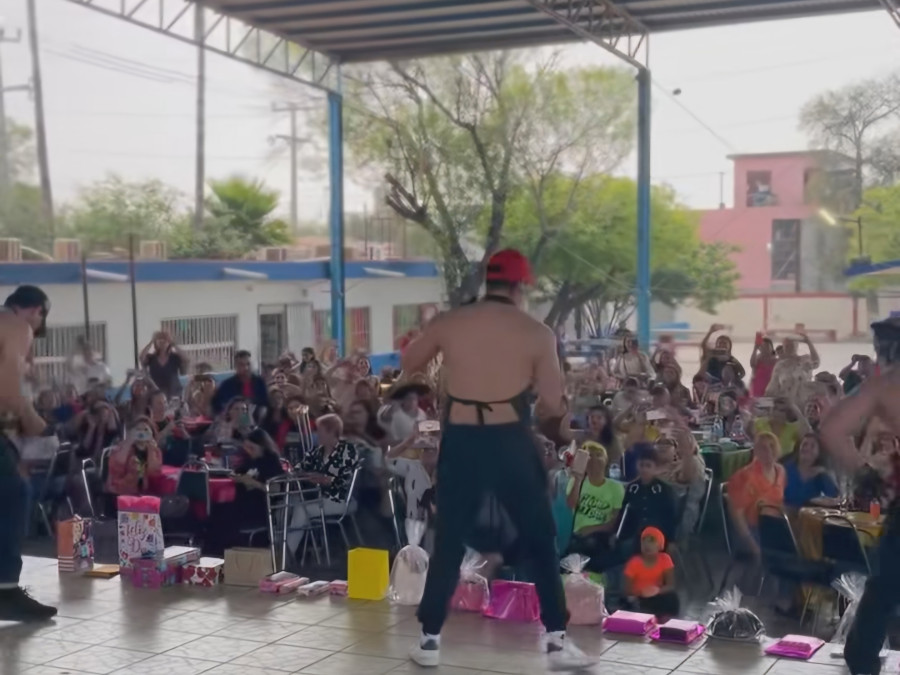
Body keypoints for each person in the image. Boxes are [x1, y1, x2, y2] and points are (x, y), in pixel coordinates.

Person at [400, 248, 592, 670]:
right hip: (510, 438)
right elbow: (552, 406)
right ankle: (557, 640)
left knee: (450, 538)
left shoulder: (451, 322)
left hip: (463, 438)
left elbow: (409, 362)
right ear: (521, 286)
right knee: (541, 537)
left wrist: (449, 363)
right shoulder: (537, 333)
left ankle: (429, 640)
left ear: (488, 280)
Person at [820, 317, 900, 675]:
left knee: (883, 589)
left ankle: (863, 663)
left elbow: (833, 429)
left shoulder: (883, 387)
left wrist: (864, 473)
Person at [0, 285, 58, 621]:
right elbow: (7, 387)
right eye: (39, 322)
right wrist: (36, 424)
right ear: (36, 311)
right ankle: (5, 590)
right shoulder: (17, 326)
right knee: (14, 493)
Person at [726, 432, 786, 560]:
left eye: (772, 446)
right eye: (763, 447)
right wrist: (753, 546)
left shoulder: (780, 471)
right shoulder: (744, 477)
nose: (769, 451)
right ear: (756, 451)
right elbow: (738, 518)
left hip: (776, 527)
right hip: (751, 530)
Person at [623, 526, 680, 619]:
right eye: (644, 541)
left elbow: (671, 585)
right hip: (639, 598)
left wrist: (657, 590)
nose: (647, 545)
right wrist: (642, 592)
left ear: (660, 545)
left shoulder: (665, 559)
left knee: (672, 598)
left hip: (657, 595)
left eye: (652, 541)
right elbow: (627, 591)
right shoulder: (633, 562)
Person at [106, 417, 163, 496]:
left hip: (146, 495)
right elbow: (116, 466)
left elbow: (154, 473)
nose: (141, 433)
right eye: (138, 430)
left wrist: (151, 449)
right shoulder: (121, 447)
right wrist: (128, 442)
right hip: (120, 492)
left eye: (145, 430)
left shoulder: (155, 451)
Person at [781, 433, 839, 511]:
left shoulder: (821, 474)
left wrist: (825, 473)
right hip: (784, 515)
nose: (807, 448)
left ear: (819, 452)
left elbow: (834, 498)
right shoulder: (785, 469)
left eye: (812, 446)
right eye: (804, 444)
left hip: (809, 518)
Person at [212, 350, 268, 417]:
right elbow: (218, 405)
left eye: (248, 364)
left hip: (254, 416)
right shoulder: (227, 385)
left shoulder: (259, 382)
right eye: (242, 365)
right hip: (233, 417)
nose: (246, 368)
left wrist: (251, 402)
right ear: (236, 367)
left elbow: (265, 401)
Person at [140, 331, 188, 398]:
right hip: (156, 395)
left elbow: (186, 359)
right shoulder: (151, 358)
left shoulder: (174, 357)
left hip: (174, 394)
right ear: (156, 343)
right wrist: (151, 341)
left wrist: (173, 343)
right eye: (159, 340)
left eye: (165, 340)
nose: (162, 342)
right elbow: (141, 357)